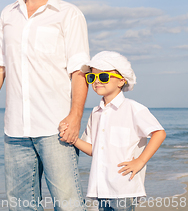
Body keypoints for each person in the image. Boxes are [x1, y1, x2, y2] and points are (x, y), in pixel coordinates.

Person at [0, 0, 90, 211]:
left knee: (69, 205)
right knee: (21, 207)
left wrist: (75, 118)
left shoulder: (69, 15)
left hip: (56, 128)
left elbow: (79, 72)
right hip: (15, 129)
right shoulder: (8, 14)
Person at [59, 51, 166, 211]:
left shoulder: (133, 108)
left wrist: (140, 161)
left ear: (121, 81)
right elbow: (93, 149)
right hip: (101, 188)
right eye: (92, 77)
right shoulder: (96, 113)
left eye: (103, 77)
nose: (96, 82)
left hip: (124, 187)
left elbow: (159, 133)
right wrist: (72, 138)